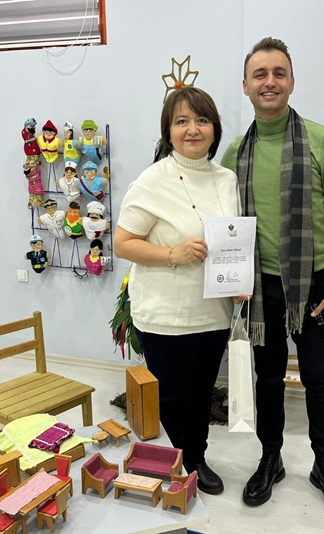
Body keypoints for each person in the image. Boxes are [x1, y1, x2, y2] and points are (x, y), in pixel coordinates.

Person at [221, 37, 324, 518]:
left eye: (279, 73)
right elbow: (226, 223)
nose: (270, 81)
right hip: (260, 287)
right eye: (260, 74)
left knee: (318, 379)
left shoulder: (323, 142)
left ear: (292, 82)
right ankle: (271, 459)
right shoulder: (235, 154)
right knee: (269, 378)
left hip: (315, 285)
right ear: (245, 86)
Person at [115, 87, 240, 495]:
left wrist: (239, 280)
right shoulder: (152, 181)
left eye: (202, 120)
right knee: (170, 398)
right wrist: (173, 253)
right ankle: (173, 466)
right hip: (165, 314)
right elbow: (122, 243)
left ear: (214, 128)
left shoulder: (227, 180)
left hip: (213, 312)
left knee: (201, 394)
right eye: (181, 121)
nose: (193, 129)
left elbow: (232, 239)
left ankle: (197, 459)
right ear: (168, 131)